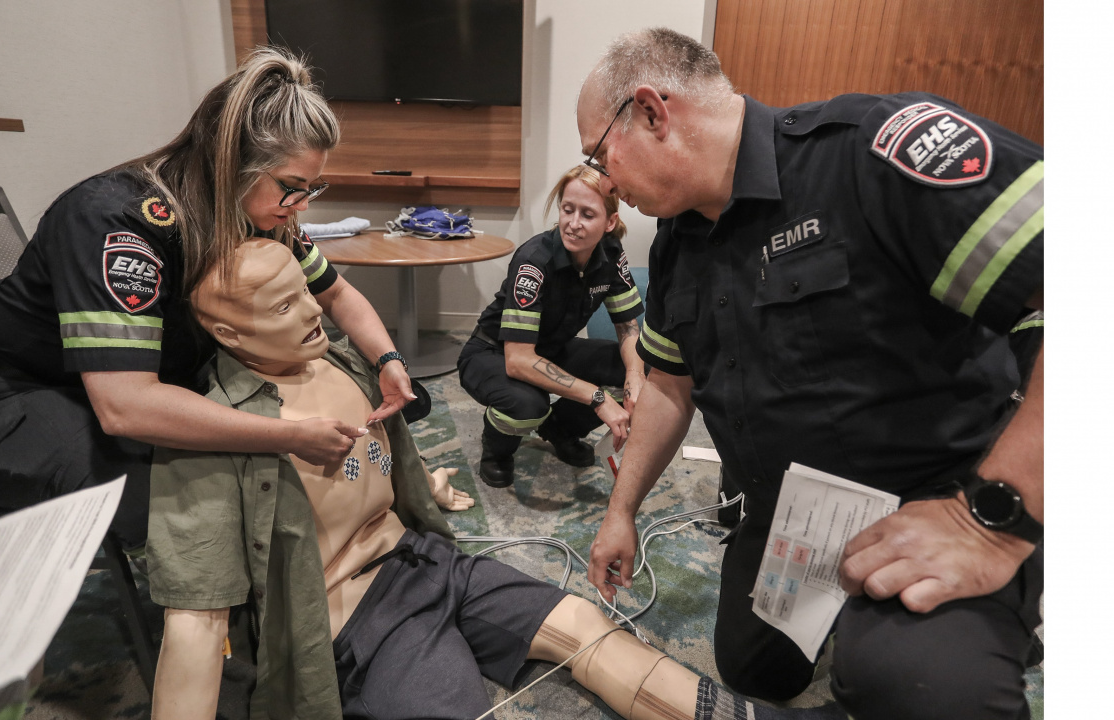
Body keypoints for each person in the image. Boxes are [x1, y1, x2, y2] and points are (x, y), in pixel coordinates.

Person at [148, 238, 843, 720]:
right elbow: (194, 625)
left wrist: (430, 489)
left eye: (305, 293)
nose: (310, 312)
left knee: (586, 626)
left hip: (427, 560)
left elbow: (378, 465)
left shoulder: (344, 363)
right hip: (354, 620)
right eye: (278, 308)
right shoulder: (211, 438)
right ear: (226, 332)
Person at [576, 28, 1043, 720]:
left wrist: (992, 520)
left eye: (598, 154)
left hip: (937, 498)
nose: (602, 181)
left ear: (651, 112)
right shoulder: (677, 245)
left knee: (912, 684)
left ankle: (987, 615)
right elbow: (671, 388)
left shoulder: (873, 152)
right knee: (751, 667)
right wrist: (622, 512)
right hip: (797, 514)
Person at [0, 48, 414, 551]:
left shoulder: (256, 209)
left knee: (336, 407)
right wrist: (286, 435)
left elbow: (337, 293)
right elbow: (125, 407)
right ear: (232, 162)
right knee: (192, 507)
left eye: (310, 189)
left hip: (149, 376)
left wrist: (388, 360)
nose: (299, 205)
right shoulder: (114, 222)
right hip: (27, 391)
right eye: (292, 188)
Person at [457, 166, 646, 488]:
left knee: (640, 365)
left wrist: (635, 378)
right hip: (494, 352)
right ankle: (497, 448)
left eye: (587, 214)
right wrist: (598, 398)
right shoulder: (534, 261)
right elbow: (518, 360)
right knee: (528, 405)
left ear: (610, 222)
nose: (573, 224)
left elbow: (627, 328)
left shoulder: (612, 254)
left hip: (551, 348)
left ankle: (559, 430)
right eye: (567, 209)